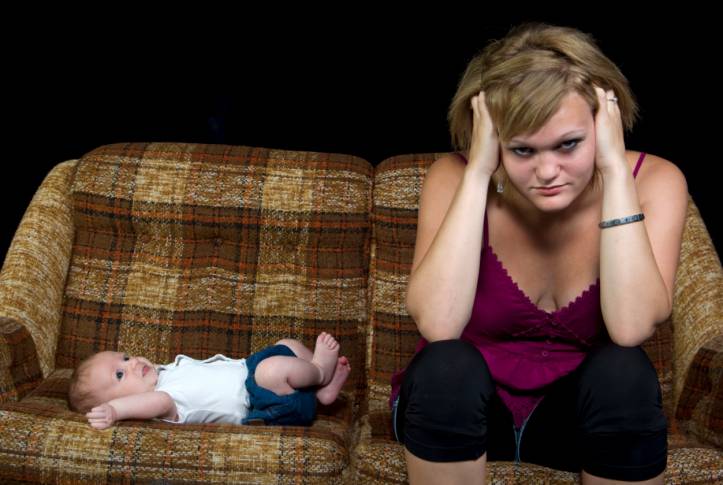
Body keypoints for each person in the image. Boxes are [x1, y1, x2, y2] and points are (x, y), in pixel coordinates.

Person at [391, 22, 687, 485]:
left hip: (579, 422)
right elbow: (439, 325)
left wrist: (613, 169)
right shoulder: (453, 177)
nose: (547, 171)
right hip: (460, 412)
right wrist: (479, 172)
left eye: (569, 144)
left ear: (604, 122)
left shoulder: (655, 181)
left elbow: (630, 328)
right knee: (446, 364)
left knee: (624, 369)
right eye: (523, 150)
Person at [69, 332, 351, 429]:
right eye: (120, 375)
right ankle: (320, 371)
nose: (131, 364)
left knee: (286, 344)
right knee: (273, 369)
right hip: (263, 403)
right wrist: (115, 411)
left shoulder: (166, 371)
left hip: (251, 368)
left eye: (125, 357)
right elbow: (155, 402)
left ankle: (321, 392)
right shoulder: (165, 402)